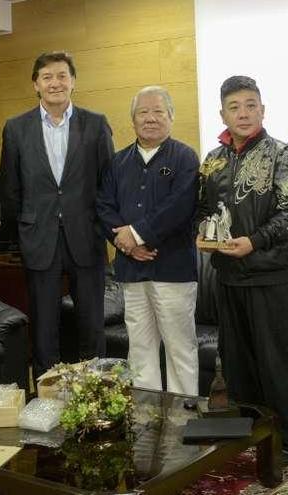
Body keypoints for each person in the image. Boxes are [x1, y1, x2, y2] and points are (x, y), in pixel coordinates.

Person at [197, 75, 288, 463]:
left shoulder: (282, 154)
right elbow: (203, 212)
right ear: (222, 113)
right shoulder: (211, 160)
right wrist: (201, 234)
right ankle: (250, 437)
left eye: (250, 105)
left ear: (262, 109)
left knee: (279, 363)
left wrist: (254, 242)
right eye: (234, 107)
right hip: (226, 277)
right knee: (238, 365)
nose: (243, 114)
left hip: (270, 276)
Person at [0, 51, 114, 380]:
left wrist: (103, 227)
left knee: (92, 324)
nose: (55, 83)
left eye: (62, 76)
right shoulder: (16, 128)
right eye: (47, 77)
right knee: (44, 326)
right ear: (36, 84)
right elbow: (11, 188)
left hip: (86, 237)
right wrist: (20, 231)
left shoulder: (95, 124)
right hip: (39, 239)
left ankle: (96, 394)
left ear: (73, 82)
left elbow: (108, 182)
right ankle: (48, 396)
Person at [96, 86, 199, 395]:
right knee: (139, 348)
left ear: (171, 117)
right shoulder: (117, 162)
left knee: (180, 348)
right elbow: (104, 206)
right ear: (133, 119)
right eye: (143, 112)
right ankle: (147, 418)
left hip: (173, 270)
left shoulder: (185, 157)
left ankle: (184, 417)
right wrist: (126, 244)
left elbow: (178, 208)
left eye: (158, 112)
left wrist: (136, 234)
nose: (151, 118)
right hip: (131, 270)